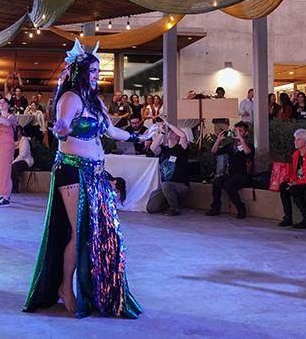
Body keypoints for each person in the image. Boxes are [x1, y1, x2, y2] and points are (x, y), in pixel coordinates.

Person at [24, 39, 152, 318]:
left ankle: (93, 288)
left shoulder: (95, 102)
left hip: (94, 174)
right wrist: (59, 130)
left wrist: (137, 137)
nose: (98, 76)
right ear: (80, 72)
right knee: (78, 230)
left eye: (98, 71)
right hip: (72, 170)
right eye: (93, 71)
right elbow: (63, 130)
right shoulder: (70, 99)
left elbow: (111, 133)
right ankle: (65, 287)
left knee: (97, 232)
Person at [206, 121, 254, 218]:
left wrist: (241, 140)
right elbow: (214, 151)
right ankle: (215, 208)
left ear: (246, 133)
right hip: (231, 174)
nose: (237, 133)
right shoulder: (231, 147)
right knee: (217, 182)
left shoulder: (249, 146)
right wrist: (218, 139)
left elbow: (248, 153)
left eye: (240, 131)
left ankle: (241, 208)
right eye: (236, 130)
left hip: (244, 176)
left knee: (228, 184)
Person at [147, 116, 190, 216]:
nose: (170, 131)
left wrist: (167, 123)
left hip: (181, 186)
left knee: (166, 185)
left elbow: (183, 136)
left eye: (173, 131)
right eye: (169, 131)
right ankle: (169, 202)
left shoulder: (181, 148)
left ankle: (175, 209)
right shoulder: (164, 149)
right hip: (165, 186)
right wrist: (162, 133)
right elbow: (153, 148)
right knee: (151, 207)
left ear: (177, 137)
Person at [10, 126, 34, 194]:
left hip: (25, 161)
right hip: (13, 161)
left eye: (17, 131)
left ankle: (15, 187)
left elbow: (23, 155)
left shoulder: (24, 140)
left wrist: (12, 162)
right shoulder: (11, 140)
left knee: (15, 166)